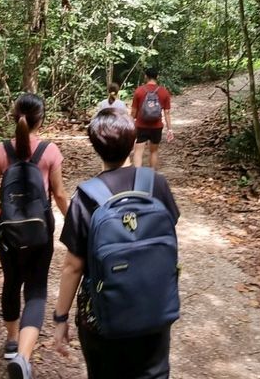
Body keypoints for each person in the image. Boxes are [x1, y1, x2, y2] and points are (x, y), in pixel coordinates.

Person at [53, 109, 180, 379]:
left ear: (95, 147)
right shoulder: (156, 184)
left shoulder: (86, 198)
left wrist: (60, 319)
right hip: (154, 308)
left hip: (104, 319)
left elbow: (73, 267)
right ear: (134, 142)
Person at [0, 93, 69, 379]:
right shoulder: (50, 151)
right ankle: (23, 355)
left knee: (11, 281)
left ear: (13, 116)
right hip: (40, 229)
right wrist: (77, 223)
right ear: (41, 119)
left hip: (4, 230)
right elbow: (58, 195)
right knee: (36, 289)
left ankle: (11, 341)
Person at [131, 67, 173, 168]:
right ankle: (151, 175)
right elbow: (167, 112)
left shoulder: (139, 91)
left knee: (138, 152)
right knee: (153, 152)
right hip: (156, 126)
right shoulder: (164, 92)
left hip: (141, 125)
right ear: (157, 77)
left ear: (146, 76)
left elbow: (133, 111)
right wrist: (169, 129)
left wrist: (130, 123)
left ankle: (137, 175)